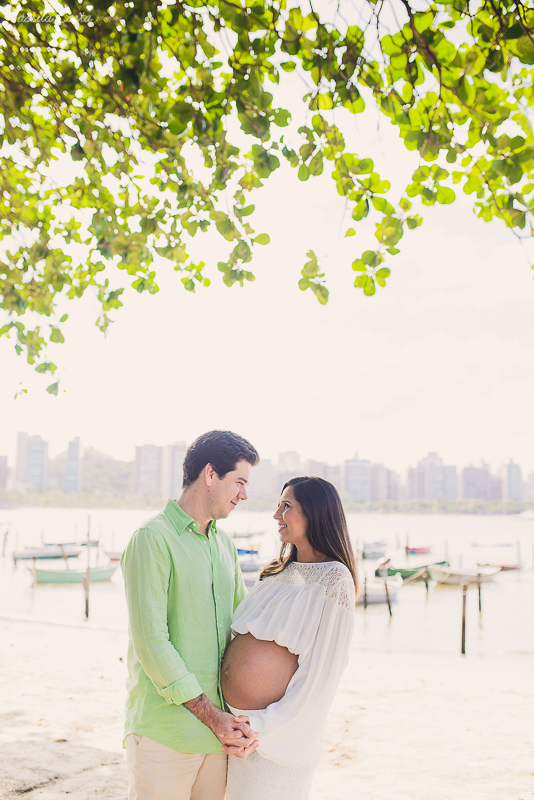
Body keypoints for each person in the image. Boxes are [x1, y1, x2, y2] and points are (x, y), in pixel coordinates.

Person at [121, 430, 261, 800]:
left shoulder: (225, 545)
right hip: (164, 735)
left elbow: (241, 630)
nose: (244, 495)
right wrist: (213, 717)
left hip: (218, 737)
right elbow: (152, 643)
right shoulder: (152, 538)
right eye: (240, 482)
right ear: (210, 474)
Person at [220, 476, 357, 800]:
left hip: (272, 736)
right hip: (232, 725)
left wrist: (261, 728)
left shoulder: (335, 579)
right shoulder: (275, 571)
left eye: (286, 506)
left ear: (315, 512)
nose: (276, 514)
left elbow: (322, 676)